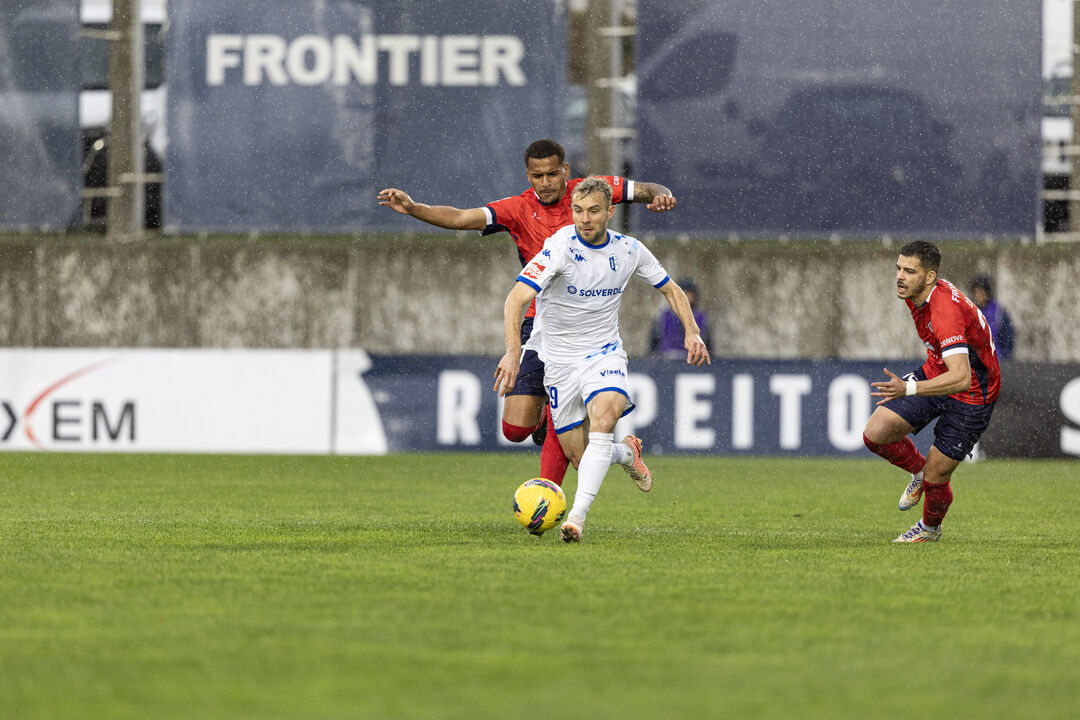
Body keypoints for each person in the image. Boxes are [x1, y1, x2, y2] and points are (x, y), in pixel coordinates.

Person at [378, 139, 677, 487]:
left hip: (582, 327)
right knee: (515, 428)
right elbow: (461, 217)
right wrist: (415, 208)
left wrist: (662, 194)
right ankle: (620, 450)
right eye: (538, 175)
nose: (546, 182)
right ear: (528, 175)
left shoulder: (590, 193)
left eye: (553, 173)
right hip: (537, 323)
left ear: (566, 171)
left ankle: (547, 495)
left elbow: (645, 189)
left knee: (576, 450)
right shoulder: (517, 208)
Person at [493, 177, 710, 543]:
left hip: (603, 354)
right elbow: (516, 299)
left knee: (605, 417)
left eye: (593, 211)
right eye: (577, 211)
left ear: (610, 211)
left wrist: (692, 330)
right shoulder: (559, 248)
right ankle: (626, 454)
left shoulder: (629, 250)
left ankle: (576, 517)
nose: (584, 219)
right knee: (582, 458)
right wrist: (514, 351)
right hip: (558, 361)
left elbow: (671, 290)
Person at [863, 240, 1000, 543]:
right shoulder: (915, 293)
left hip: (973, 393)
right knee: (876, 432)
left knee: (938, 474)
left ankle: (929, 529)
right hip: (938, 371)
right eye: (898, 268)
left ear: (930, 277)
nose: (900, 276)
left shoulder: (943, 311)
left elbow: (962, 377)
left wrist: (909, 387)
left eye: (909, 271)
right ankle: (918, 475)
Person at [649, 276, 712, 355]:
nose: (685, 297)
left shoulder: (701, 318)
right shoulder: (664, 317)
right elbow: (653, 344)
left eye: (688, 294)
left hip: (692, 360)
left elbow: (707, 345)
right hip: (666, 360)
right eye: (683, 293)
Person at [970, 274, 1015, 360]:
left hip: (996, 360)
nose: (978, 295)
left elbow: (1008, 338)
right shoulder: (969, 311)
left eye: (981, 292)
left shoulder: (999, 312)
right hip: (975, 362)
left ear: (987, 293)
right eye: (976, 292)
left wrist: (1005, 358)